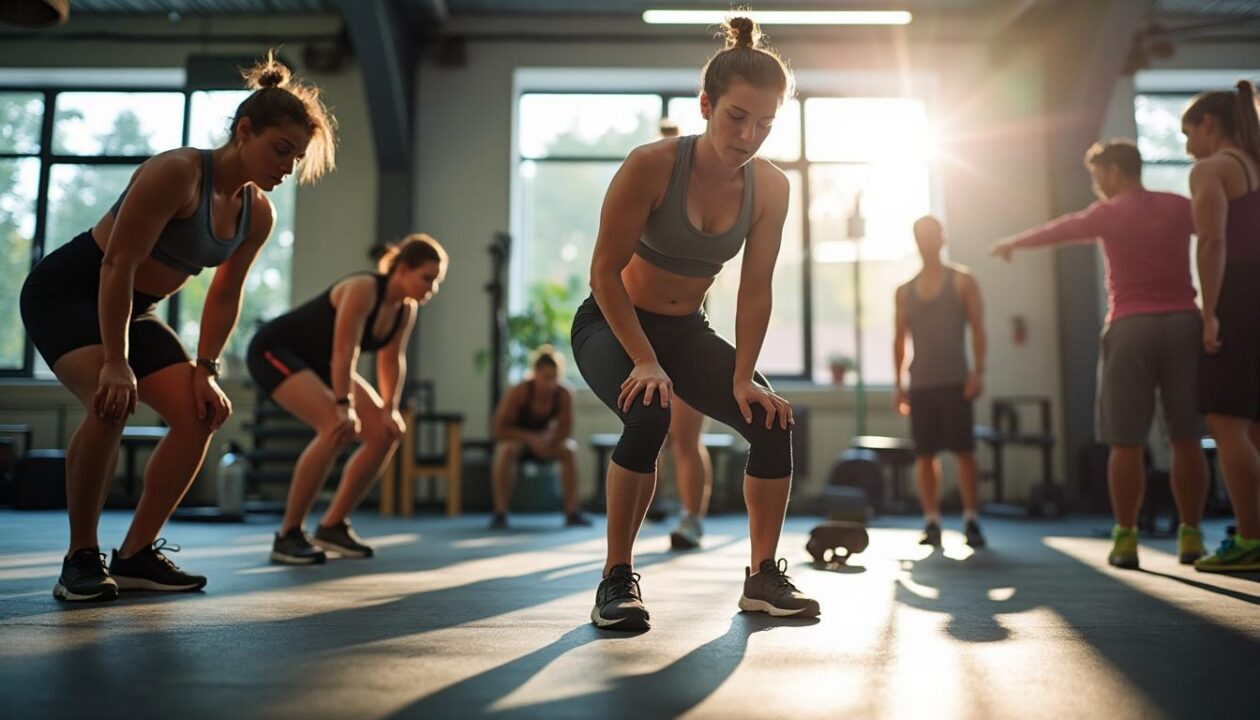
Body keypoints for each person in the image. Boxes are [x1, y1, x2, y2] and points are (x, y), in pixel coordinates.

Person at [19, 53, 335, 602]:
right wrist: (115, 362)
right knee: (111, 401)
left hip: (135, 307)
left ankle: (137, 554)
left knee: (201, 413)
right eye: (281, 149)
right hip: (71, 291)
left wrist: (206, 369)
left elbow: (225, 293)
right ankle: (80, 559)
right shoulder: (178, 172)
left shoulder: (257, 214)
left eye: (297, 157)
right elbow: (117, 265)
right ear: (244, 130)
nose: (287, 167)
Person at [571, 16, 818, 632]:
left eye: (765, 124)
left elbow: (755, 290)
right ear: (706, 105)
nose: (749, 135)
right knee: (649, 413)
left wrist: (743, 377)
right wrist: (644, 360)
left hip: (685, 331)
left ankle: (762, 577)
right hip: (614, 323)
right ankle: (615, 579)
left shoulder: (770, 187)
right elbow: (603, 274)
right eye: (737, 117)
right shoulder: (652, 165)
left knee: (770, 420)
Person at [991, 140, 1208, 569]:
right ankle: (1191, 535)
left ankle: (1126, 538)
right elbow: (1222, 229)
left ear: (1113, 171)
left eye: (1097, 176)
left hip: (1131, 327)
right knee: (1186, 437)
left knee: (1125, 441)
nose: (1097, 186)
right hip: (1184, 324)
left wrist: (1013, 242)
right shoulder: (1177, 206)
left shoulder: (1108, 213)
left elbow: (1060, 230)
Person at [248, 234, 446, 565]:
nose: (432, 288)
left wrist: (390, 408)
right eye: (427, 278)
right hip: (276, 351)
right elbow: (345, 351)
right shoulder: (363, 288)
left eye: (436, 281)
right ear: (402, 269)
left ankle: (333, 526)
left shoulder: (404, 310)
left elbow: (391, 359)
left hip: (321, 362)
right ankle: (288, 535)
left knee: (384, 433)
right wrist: (343, 406)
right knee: (334, 427)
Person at [1182, 81, 1260, 573]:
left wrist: (1210, 312)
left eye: (1188, 134)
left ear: (1208, 124)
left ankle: (1250, 538)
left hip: (1239, 294)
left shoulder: (1211, 168)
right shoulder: (1255, 165)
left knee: (1226, 421)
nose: (1189, 147)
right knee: (1254, 425)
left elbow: (1211, 242)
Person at [894, 216, 987, 549]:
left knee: (964, 451)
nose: (927, 242)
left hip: (955, 381)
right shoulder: (904, 291)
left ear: (942, 238)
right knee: (925, 454)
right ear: (916, 240)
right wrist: (898, 383)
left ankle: (971, 518)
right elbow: (899, 338)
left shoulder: (962, 280)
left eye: (932, 235)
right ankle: (931, 520)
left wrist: (978, 372)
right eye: (921, 236)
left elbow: (977, 327)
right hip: (921, 382)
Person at [657, 116, 715, 551]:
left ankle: (693, 518)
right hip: (646, 335)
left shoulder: (704, 207)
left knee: (686, 438)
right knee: (648, 434)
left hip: (688, 338)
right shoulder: (644, 193)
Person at [488, 346, 590, 529]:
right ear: (535, 374)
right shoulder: (519, 391)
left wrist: (549, 438)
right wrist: (530, 438)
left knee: (569, 449)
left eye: (554, 378)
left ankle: (572, 512)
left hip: (546, 443)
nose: (550, 384)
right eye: (545, 378)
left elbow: (566, 430)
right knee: (505, 450)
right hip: (518, 441)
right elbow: (499, 430)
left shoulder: (564, 393)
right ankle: (500, 512)